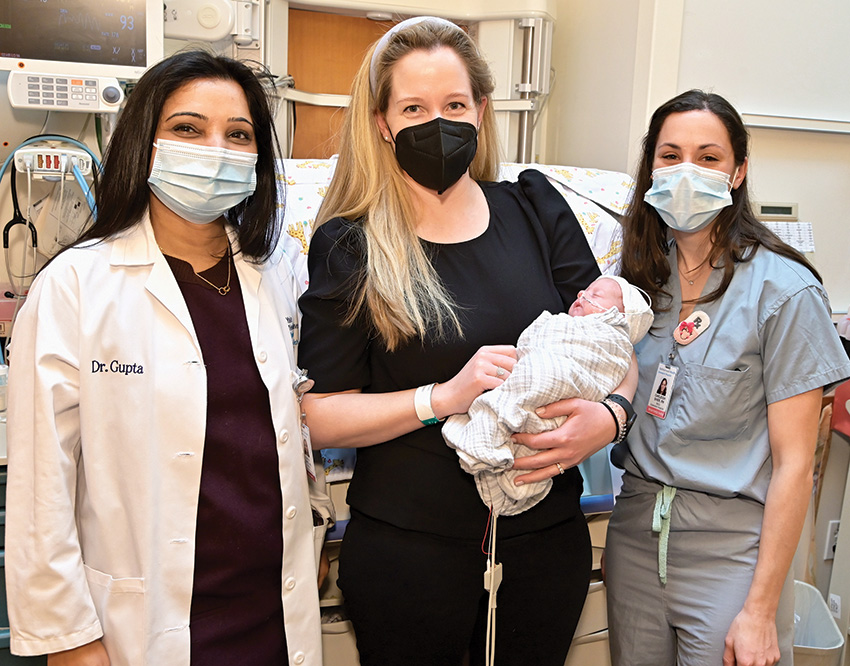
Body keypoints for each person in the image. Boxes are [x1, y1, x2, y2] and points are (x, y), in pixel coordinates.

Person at [297, 16, 637, 666]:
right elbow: (316, 414)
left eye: (454, 105)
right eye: (415, 108)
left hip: (543, 543)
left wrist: (611, 417)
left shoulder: (535, 209)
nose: (439, 123)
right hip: (407, 556)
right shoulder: (352, 243)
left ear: (481, 110)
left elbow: (612, 342)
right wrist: (441, 396)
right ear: (382, 122)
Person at [5, 50, 332, 666]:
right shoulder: (78, 285)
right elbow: (40, 484)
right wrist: (68, 640)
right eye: (187, 129)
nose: (216, 149)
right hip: (145, 621)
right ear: (143, 144)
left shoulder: (279, 272)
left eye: (238, 135)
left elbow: (290, 427)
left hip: (272, 612)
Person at [605, 89, 850, 666]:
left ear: (738, 172)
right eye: (670, 156)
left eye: (709, 157)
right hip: (635, 533)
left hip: (733, 552)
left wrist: (761, 609)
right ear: (650, 168)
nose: (687, 170)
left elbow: (796, 465)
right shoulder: (636, 280)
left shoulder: (784, 291)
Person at [442, 276, 652, 516]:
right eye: (582, 292)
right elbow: (533, 343)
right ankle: (492, 433)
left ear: (618, 317)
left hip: (560, 388)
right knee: (530, 376)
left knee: (543, 377)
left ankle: (491, 436)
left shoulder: (611, 340)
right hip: (533, 369)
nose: (582, 295)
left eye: (595, 296)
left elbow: (612, 364)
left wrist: (613, 416)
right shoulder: (561, 323)